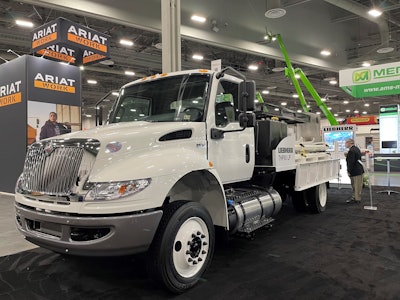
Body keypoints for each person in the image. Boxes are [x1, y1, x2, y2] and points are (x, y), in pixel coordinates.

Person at [345, 138, 364, 203]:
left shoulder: (351, 151)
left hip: (355, 171)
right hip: (358, 170)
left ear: (349, 143)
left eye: (346, 143)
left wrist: (349, 171)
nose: (345, 144)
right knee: (356, 185)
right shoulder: (356, 149)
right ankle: (355, 197)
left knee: (356, 186)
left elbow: (351, 162)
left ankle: (357, 199)